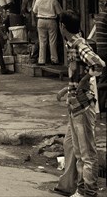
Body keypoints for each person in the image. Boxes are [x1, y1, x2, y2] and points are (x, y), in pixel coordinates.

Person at [54, 10, 104, 197]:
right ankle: (81, 190)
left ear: (62, 27)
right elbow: (78, 74)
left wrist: (84, 81)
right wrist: (67, 90)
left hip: (83, 105)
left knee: (87, 152)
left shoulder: (79, 44)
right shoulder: (72, 44)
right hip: (75, 104)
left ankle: (88, 191)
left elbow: (98, 64)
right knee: (78, 151)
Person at [33, 0, 63, 65]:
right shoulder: (54, 1)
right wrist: (61, 23)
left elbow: (34, 11)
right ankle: (54, 59)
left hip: (41, 21)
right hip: (51, 21)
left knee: (42, 41)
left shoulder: (38, 0)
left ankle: (41, 60)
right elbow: (60, 13)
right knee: (52, 41)